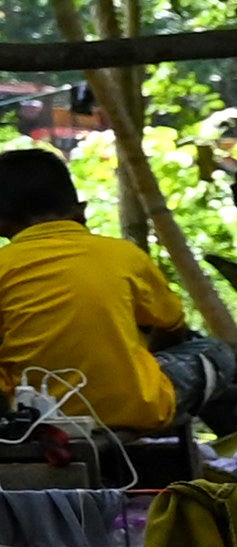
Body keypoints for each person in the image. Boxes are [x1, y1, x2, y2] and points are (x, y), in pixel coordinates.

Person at [0, 150, 188, 435]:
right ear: (81, 210)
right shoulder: (123, 254)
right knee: (214, 351)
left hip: (33, 420)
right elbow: (173, 327)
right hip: (138, 410)